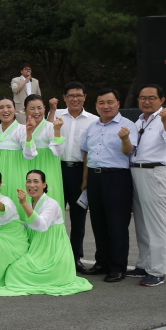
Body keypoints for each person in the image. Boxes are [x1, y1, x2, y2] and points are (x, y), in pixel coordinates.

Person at [127, 84, 166, 288]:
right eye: (142, 98)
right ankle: (143, 264)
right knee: (142, 222)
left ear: (162, 100)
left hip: (155, 172)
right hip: (136, 171)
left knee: (157, 224)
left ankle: (157, 270)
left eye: (151, 98)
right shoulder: (140, 120)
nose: (146, 101)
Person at [3, 171, 94, 296]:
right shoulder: (32, 203)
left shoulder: (52, 204)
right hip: (38, 248)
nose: (31, 185)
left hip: (52, 252)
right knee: (12, 267)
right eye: (28, 181)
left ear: (44, 185)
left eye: (36, 181)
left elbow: (41, 225)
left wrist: (24, 204)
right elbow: (30, 226)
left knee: (15, 270)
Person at [80, 88, 135, 283]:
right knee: (98, 223)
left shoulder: (127, 125)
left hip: (117, 178)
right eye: (101, 103)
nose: (106, 106)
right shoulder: (92, 127)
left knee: (117, 224)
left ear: (118, 104)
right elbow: (87, 155)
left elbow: (129, 151)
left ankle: (118, 267)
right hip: (95, 178)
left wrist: (125, 139)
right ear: (96, 105)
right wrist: (85, 181)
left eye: (110, 102)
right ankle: (101, 262)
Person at [51, 82, 97, 271]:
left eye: (79, 95)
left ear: (85, 97)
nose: (75, 99)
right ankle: (54, 255)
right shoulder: (56, 115)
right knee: (54, 214)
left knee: (78, 218)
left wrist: (86, 179)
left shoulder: (93, 120)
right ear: (64, 97)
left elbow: (90, 152)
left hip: (80, 172)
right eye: (71, 95)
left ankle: (75, 257)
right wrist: (51, 110)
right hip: (56, 169)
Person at [19, 95, 66, 210]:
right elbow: (27, 153)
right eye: (32, 108)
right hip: (27, 168)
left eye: (39, 108)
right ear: (25, 110)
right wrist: (29, 133)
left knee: (48, 203)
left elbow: (58, 152)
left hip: (48, 168)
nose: (36, 112)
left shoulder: (51, 127)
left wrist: (57, 131)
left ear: (45, 108)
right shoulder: (22, 129)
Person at [0, 98, 27, 208]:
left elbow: (29, 153)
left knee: (15, 204)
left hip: (16, 174)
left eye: (9, 107)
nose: (5, 110)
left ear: (15, 110)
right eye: (1, 108)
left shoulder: (22, 129)